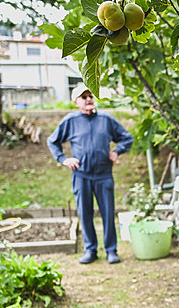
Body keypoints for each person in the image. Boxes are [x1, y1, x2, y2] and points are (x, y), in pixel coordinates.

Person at [47, 83, 133, 264]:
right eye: (84, 97)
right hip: (81, 175)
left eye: (90, 96)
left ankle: (111, 251)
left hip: (103, 175)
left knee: (108, 213)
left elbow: (127, 137)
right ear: (76, 101)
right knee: (84, 213)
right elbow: (52, 142)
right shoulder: (70, 121)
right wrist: (64, 159)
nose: (88, 100)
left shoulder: (106, 120)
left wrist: (117, 151)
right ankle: (90, 250)